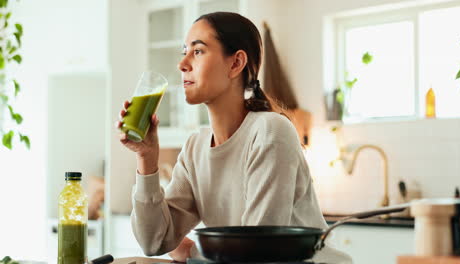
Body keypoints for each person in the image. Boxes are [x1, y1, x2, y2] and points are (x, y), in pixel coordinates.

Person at [117, 12, 351, 264]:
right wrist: (147, 158)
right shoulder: (196, 147)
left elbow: (257, 251)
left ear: (236, 63)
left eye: (198, 51)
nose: (182, 64)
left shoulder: (271, 131)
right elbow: (153, 241)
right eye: (184, 51)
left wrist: (191, 253)